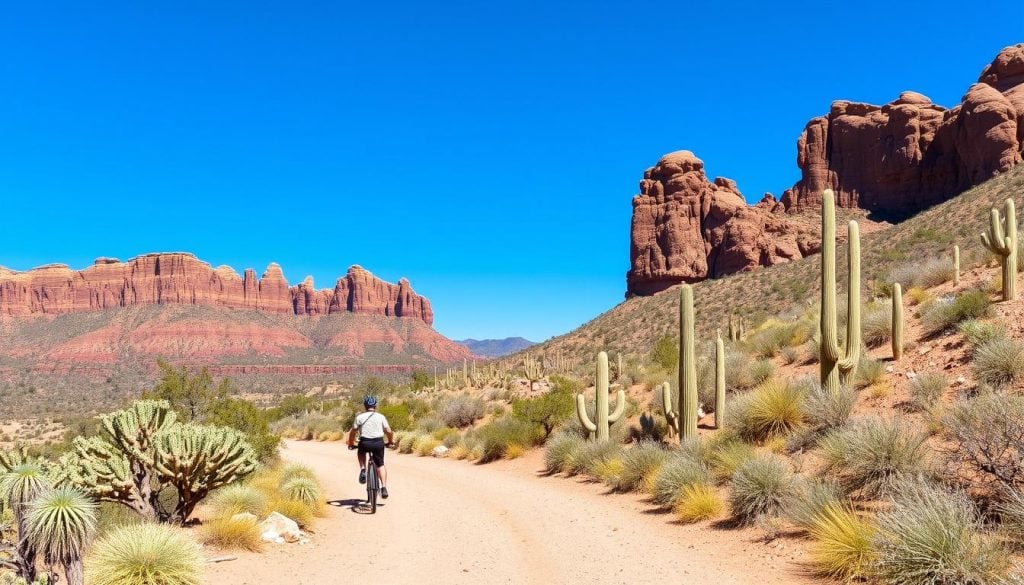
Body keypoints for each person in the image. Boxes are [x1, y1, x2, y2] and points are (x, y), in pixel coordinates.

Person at [347, 395, 394, 498]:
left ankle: (363, 469)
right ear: (375, 406)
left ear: (365, 406)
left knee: (361, 451)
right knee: (380, 464)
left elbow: (353, 433)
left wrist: (351, 443)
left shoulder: (359, 417)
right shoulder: (381, 417)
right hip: (378, 443)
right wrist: (390, 441)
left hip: (365, 442)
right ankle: (384, 488)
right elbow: (389, 431)